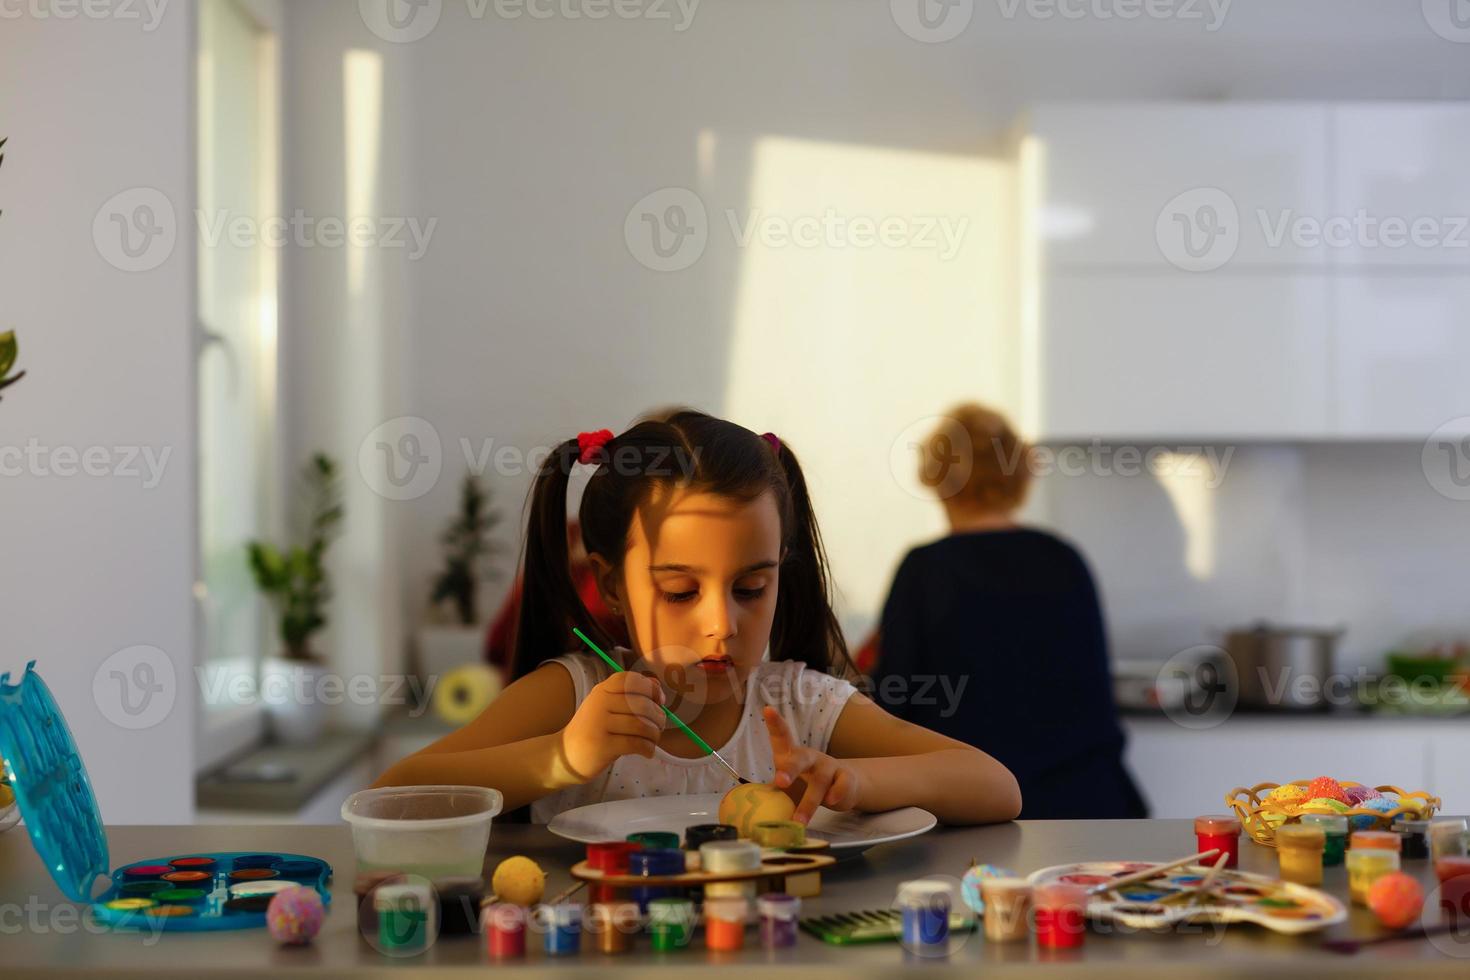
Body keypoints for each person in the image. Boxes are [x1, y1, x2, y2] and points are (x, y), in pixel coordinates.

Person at [376, 409, 1021, 826]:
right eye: (681, 591)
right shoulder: (572, 697)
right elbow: (394, 795)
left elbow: (995, 786)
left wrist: (854, 780)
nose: (722, 624)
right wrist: (563, 757)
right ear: (613, 585)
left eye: (751, 587)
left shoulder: (798, 704)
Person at [867, 404, 1146, 819]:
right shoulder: (1063, 558)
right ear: (1016, 476)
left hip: (979, 810)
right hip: (1090, 800)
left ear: (938, 478)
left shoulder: (926, 569)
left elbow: (893, 702)